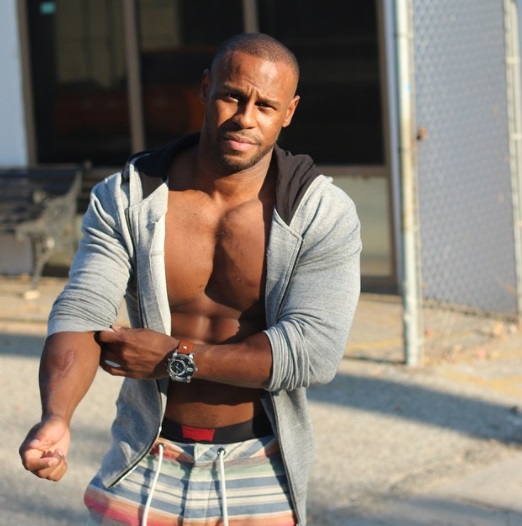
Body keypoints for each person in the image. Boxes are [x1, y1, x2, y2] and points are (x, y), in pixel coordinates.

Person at [19, 32, 361, 526]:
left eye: (266, 106)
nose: (246, 118)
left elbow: (312, 352)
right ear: (205, 89)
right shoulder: (127, 197)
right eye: (232, 96)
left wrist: (175, 359)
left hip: (261, 463)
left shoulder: (320, 212)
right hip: (146, 455)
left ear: (289, 112)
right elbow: (83, 308)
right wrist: (56, 417)